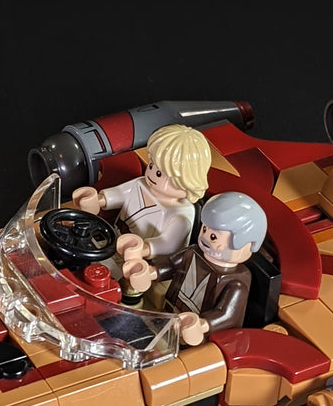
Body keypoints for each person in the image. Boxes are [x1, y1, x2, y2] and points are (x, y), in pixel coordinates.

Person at [122, 191, 267, 345]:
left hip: (196, 335)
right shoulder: (192, 252)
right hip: (168, 314)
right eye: (204, 229)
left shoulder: (235, 282)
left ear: (245, 244)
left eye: (213, 237)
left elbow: (226, 314)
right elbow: (171, 265)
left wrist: (202, 324)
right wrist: (151, 272)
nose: (204, 237)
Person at [70, 123, 212, 277]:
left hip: (142, 264)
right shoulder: (141, 184)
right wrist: (99, 200)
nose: (150, 173)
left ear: (186, 180)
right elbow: (120, 193)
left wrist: (143, 249)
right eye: (151, 166)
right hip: (112, 241)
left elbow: (168, 244)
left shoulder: (180, 215)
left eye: (159, 173)